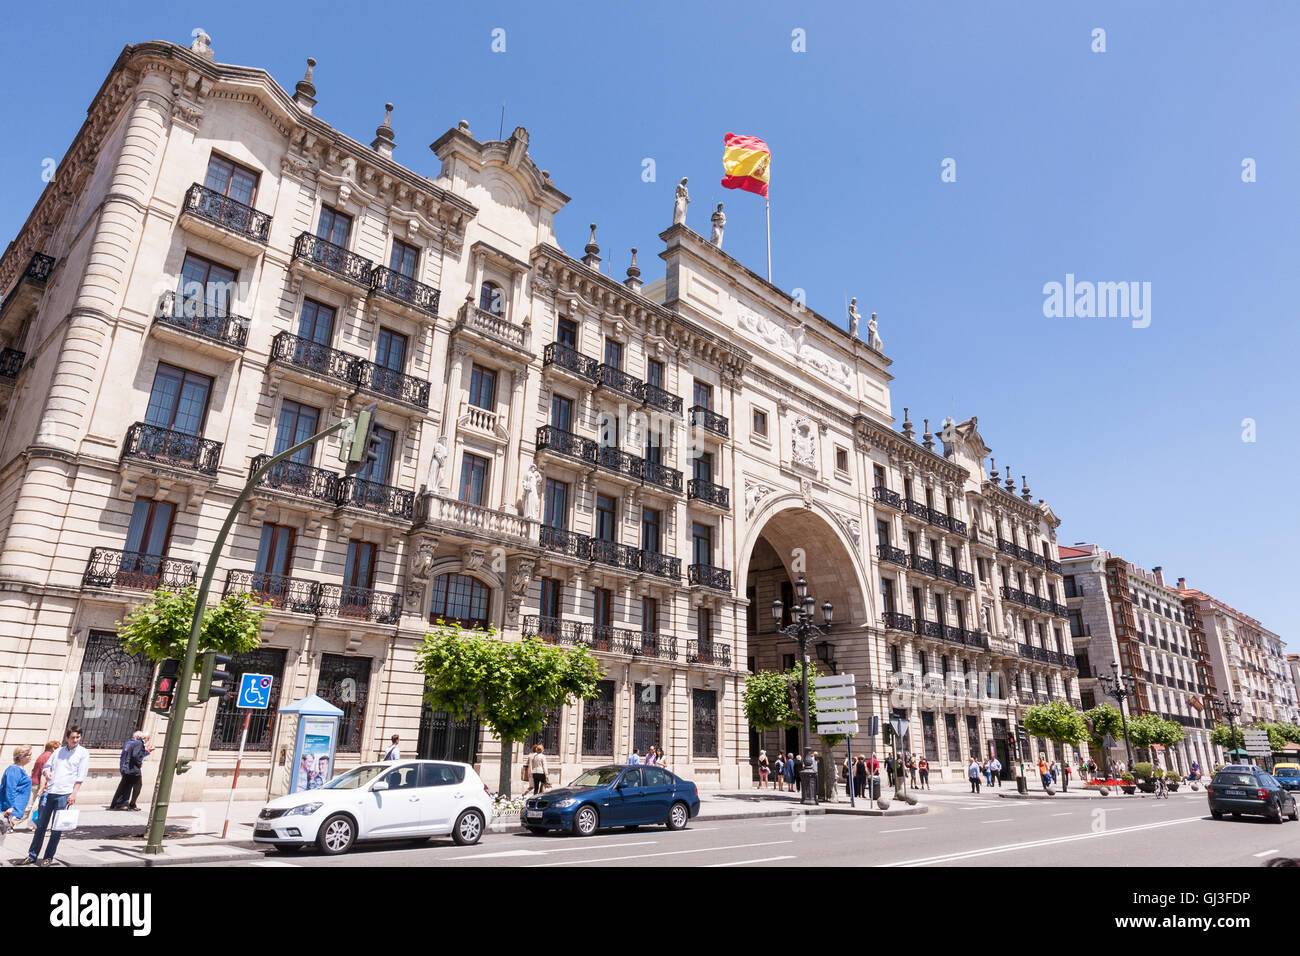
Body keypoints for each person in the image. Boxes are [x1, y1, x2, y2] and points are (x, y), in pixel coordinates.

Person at [19, 726, 88, 866]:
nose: (75, 740)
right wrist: (47, 773)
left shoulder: (83, 753)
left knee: (57, 828)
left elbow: (81, 776)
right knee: (40, 826)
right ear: (67, 738)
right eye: (73, 737)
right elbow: (47, 767)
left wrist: (74, 793)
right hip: (50, 792)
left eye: (78, 737)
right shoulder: (58, 751)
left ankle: (48, 857)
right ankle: (32, 855)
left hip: (65, 793)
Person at [110, 731, 150, 811]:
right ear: (145, 738)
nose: (148, 740)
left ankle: (120, 804)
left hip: (129, 769)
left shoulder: (133, 743)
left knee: (126, 786)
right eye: (148, 739)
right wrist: (139, 763)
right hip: (132, 770)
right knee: (135, 786)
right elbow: (135, 755)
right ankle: (125, 804)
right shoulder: (138, 743)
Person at [1, 746, 33, 832]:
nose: (30, 757)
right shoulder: (14, 770)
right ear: (20, 757)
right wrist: (10, 806)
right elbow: (10, 789)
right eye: (28, 755)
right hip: (6, 810)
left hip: (11, 809)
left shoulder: (19, 769)